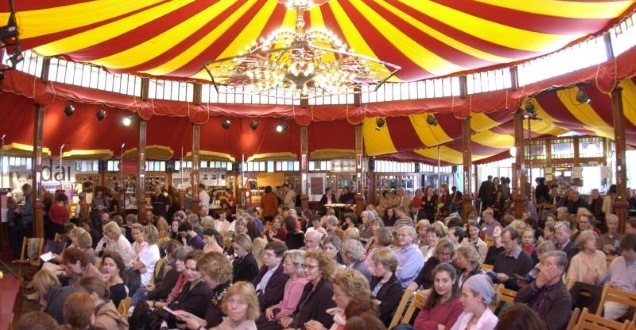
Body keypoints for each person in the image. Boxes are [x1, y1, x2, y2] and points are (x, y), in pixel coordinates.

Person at [280, 249, 337, 329]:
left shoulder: (327, 290)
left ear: (322, 269)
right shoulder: (309, 285)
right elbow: (299, 310)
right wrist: (290, 318)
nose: (305, 270)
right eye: (304, 266)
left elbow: (321, 323)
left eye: (310, 267)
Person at [514, 251, 571, 330]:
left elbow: (550, 327)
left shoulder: (563, 297)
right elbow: (517, 300)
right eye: (543, 264)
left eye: (548, 265)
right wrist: (537, 284)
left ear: (560, 270)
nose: (543, 268)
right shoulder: (539, 284)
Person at [305, 269, 376, 330]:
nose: (333, 298)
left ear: (352, 295)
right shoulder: (345, 312)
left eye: (337, 295)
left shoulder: (359, 323)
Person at [412, 263, 463, 330]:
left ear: (453, 281)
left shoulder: (458, 304)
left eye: (445, 281)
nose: (440, 285)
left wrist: (426, 324)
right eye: (437, 280)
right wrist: (438, 327)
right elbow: (417, 323)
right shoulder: (433, 297)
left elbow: (448, 329)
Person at [602, 233, 636, 320]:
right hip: (608, 294)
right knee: (591, 304)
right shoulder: (617, 261)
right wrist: (608, 284)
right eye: (622, 250)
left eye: (627, 250)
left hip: (624, 300)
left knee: (605, 310)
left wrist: (621, 290)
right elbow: (606, 280)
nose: (624, 253)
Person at [368, 247, 402, 327]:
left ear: (387, 265)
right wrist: (376, 301)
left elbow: (382, 310)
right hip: (368, 314)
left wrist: (370, 300)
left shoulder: (395, 287)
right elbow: (365, 295)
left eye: (376, 264)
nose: (374, 267)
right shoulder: (376, 278)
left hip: (378, 322)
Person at [252, 241, 289, 312]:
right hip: (254, 300)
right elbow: (254, 284)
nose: (265, 257)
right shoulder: (264, 267)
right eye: (265, 253)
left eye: (269, 254)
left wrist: (250, 302)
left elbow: (269, 299)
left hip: (264, 309)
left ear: (280, 258)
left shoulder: (282, 276)